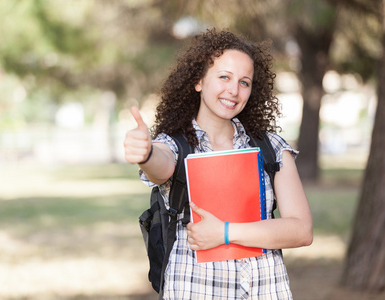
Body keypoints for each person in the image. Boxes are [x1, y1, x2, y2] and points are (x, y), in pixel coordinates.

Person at [124, 28, 313, 299]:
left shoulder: (271, 148)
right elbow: (160, 165)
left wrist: (224, 232)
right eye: (224, 77)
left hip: (266, 290)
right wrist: (145, 154)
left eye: (244, 82)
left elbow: (301, 231)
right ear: (199, 81)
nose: (233, 90)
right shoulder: (176, 145)